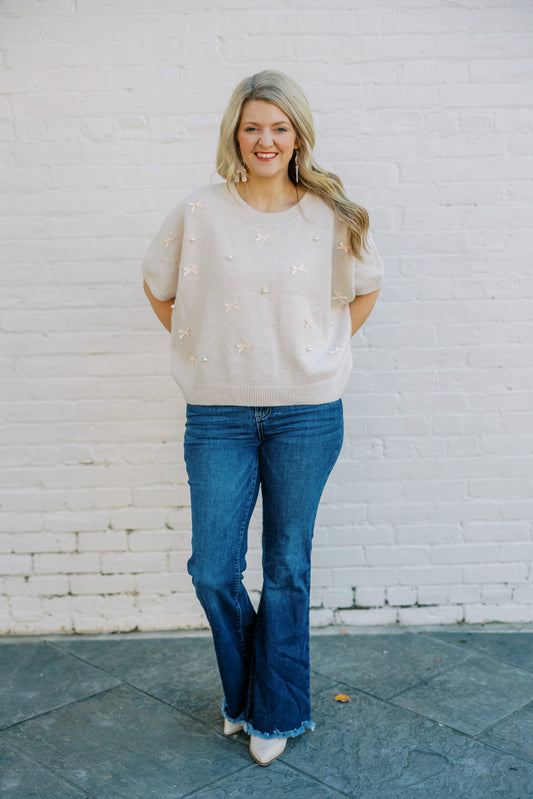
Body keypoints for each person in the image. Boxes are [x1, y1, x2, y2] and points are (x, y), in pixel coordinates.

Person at [142, 69, 384, 766]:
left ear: (297, 134)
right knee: (213, 568)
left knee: (285, 566)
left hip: (305, 416)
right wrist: (204, 348)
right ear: (235, 134)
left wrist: (319, 350)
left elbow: (363, 292)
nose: (265, 139)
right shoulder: (199, 212)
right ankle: (249, 687)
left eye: (278, 127)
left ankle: (272, 709)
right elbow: (159, 290)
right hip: (215, 414)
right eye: (252, 127)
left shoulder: (330, 216)